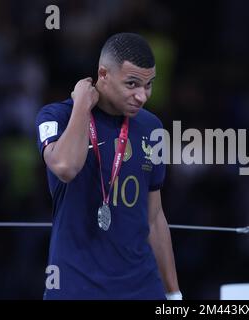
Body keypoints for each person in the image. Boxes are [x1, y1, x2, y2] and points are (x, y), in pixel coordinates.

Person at [35, 33, 181, 299]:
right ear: (103, 74)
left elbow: (155, 216)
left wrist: (174, 295)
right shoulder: (58, 115)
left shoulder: (153, 128)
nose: (142, 96)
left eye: (148, 85)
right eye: (132, 84)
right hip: (75, 288)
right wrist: (82, 105)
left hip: (142, 289)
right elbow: (65, 167)